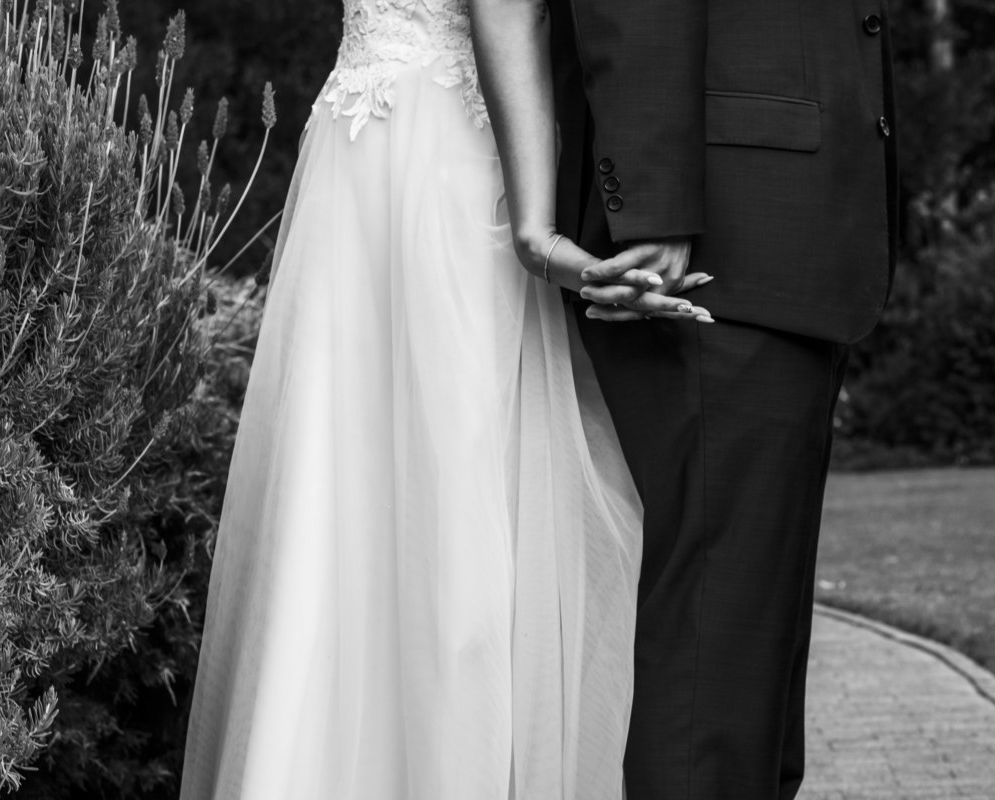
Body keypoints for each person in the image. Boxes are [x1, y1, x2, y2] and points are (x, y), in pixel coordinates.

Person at [177, 0, 711, 798]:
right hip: (454, 158)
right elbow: (510, 15)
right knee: (459, 494)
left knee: (338, 492)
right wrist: (540, 234)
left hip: (358, 149)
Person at [547, 1, 899, 798]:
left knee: (750, 678)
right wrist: (653, 203)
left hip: (778, 228)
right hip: (713, 241)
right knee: (715, 676)